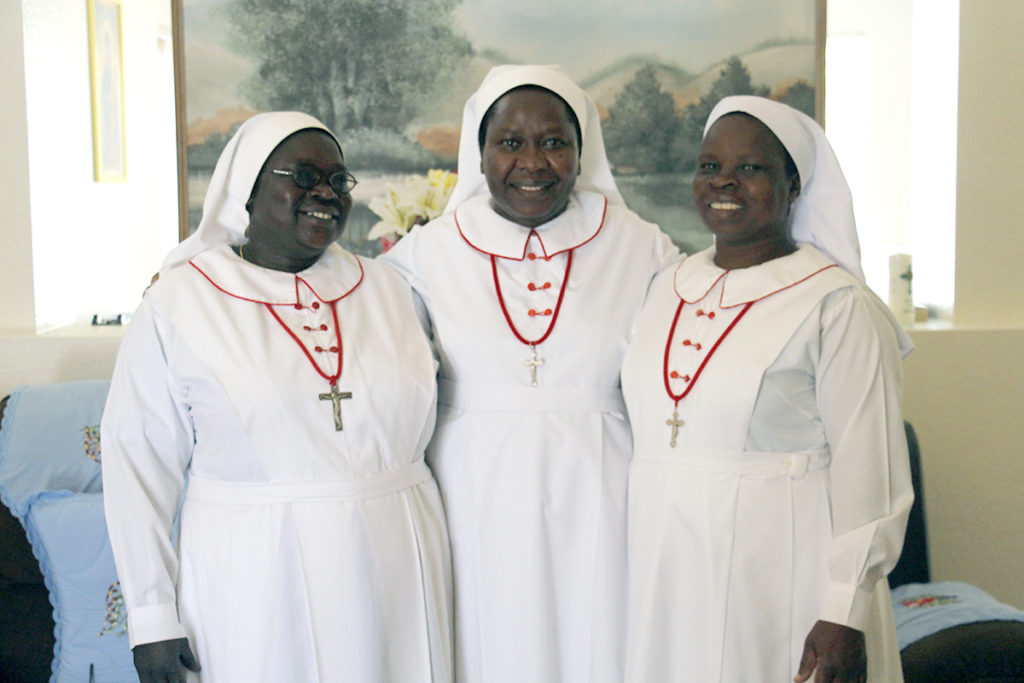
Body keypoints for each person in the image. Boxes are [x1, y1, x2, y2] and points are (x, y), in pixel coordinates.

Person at [101, 112, 452, 682]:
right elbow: (135, 463)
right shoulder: (180, 304)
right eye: (305, 176)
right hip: (255, 574)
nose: (326, 194)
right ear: (247, 186)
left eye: (338, 180)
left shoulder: (392, 289)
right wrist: (150, 617)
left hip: (398, 565)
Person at [382, 64, 678, 682]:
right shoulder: (426, 253)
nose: (533, 162)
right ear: (480, 152)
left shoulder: (641, 246)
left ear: (581, 150)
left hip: (604, 487)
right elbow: (360, 336)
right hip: (472, 490)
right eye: (510, 143)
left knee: (600, 642)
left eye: (553, 142)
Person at [621, 95, 914, 682]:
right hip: (670, 574)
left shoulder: (838, 305)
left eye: (751, 168)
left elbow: (871, 473)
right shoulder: (665, 287)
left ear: (794, 187)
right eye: (710, 166)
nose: (724, 181)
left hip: (783, 575)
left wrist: (843, 611)